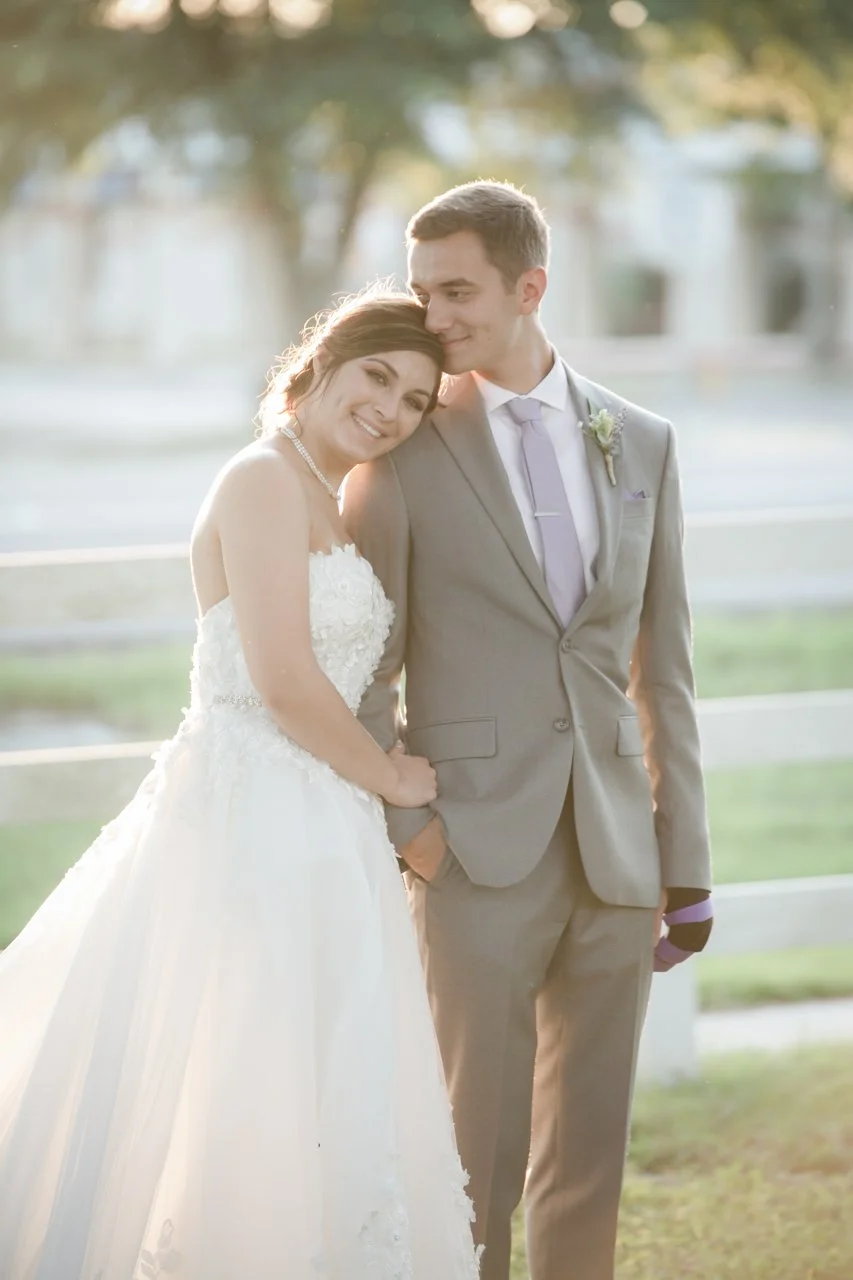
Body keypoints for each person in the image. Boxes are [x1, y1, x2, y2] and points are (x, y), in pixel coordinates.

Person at [0, 290, 482, 1280]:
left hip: (319, 823)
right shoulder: (263, 477)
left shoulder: (332, 490)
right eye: (377, 377)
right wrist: (391, 773)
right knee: (242, 1071)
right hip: (250, 815)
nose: (390, 408)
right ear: (322, 361)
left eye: (415, 400)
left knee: (317, 1081)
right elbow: (284, 679)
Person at [343, 182, 714, 1280]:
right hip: (473, 855)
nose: (432, 315)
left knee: (589, 1157)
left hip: (614, 853)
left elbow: (668, 667)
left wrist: (682, 862)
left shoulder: (639, 441)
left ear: (529, 287)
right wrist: (413, 825)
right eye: (419, 290)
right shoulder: (403, 449)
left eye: (455, 290)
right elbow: (362, 659)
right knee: (475, 1157)